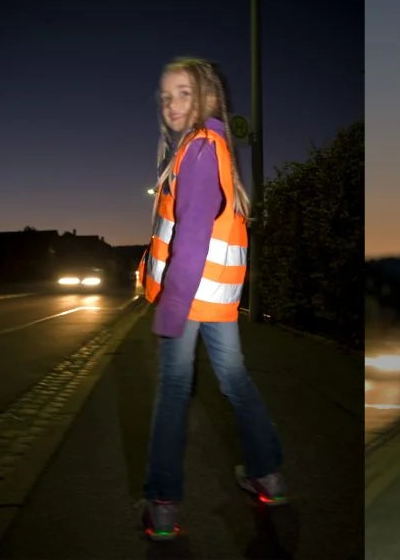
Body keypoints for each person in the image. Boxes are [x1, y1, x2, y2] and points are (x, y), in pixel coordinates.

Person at [137, 57, 285, 541]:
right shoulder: (208, 148)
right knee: (235, 381)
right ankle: (268, 474)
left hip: (190, 297)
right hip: (215, 299)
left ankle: (162, 502)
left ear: (209, 98)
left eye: (183, 92)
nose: (172, 104)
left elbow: (195, 236)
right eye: (165, 96)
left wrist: (170, 311)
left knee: (174, 393)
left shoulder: (199, 151)